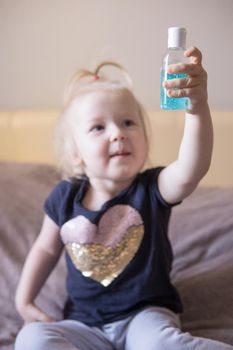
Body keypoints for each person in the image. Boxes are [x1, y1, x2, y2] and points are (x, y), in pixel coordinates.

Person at [14, 48, 232, 350]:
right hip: (84, 324)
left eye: (128, 122)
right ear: (76, 154)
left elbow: (191, 170)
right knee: (32, 339)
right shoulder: (64, 198)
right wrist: (24, 301)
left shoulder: (152, 188)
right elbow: (45, 248)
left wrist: (197, 107)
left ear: (145, 138)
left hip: (144, 317)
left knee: (159, 345)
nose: (118, 133)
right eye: (98, 127)